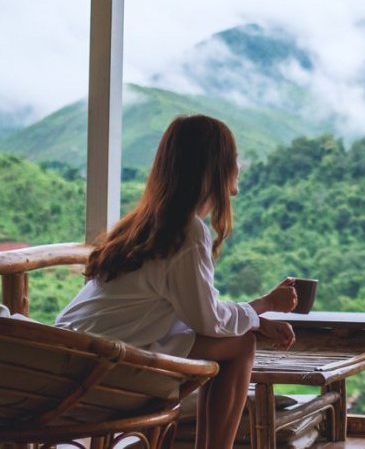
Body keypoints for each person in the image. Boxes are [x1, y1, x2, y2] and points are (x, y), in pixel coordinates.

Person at [55, 115, 297, 449]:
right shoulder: (188, 230)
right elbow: (208, 320)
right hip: (102, 369)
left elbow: (194, 313)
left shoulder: (144, 223)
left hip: (70, 356)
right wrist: (265, 306)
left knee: (238, 339)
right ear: (216, 166)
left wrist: (253, 320)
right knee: (240, 346)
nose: (239, 165)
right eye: (234, 156)